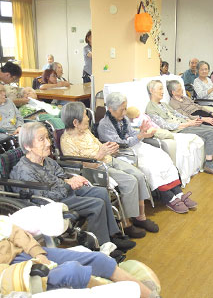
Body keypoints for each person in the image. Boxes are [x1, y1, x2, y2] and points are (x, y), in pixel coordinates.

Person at [10, 122, 135, 251]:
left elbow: (62, 175)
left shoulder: (46, 160)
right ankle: (99, 247)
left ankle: (112, 235)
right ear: (27, 146)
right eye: (41, 139)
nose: (48, 143)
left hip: (63, 192)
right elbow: (42, 198)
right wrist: (68, 184)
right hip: (52, 203)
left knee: (101, 192)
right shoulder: (24, 171)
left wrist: (73, 179)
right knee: (97, 204)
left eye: (47, 138)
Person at [60, 102, 159, 235]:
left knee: (139, 175)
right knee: (130, 181)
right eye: (85, 115)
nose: (88, 118)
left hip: (108, 159)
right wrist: (100, 155)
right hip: (95, 169)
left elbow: (97, 144)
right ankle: (126, 223)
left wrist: (109, 147)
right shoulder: (67, 141)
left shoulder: (85, 131)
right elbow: (79, 166)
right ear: (75, 122)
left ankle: (140, 217)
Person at [98, 92, 197, 214]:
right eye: (121, 110)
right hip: (123, 153)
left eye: (125, 109)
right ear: (110, 109)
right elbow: (119, 144)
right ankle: (169, 198)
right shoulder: (104, 125)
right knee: (151, 166)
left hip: (136, 146)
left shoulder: (123, 119)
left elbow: (132, 133)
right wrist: (139, 136)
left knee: (162, 157)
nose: (124, 113)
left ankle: (179, 193)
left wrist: (142, 133)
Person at [1, 220, 154, 297]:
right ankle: (129, 293)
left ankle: (148, 295)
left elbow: (15, 231)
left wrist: (38, 253)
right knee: (73, 271)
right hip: (8, 272)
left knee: (99, 258)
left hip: (22, 250)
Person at [146, 80, 213, 176]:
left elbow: (177, 114)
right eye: (160, 89)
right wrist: (187, 124)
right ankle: (209, 165)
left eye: (162, 88)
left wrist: (189, 120)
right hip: (178, 129)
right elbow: (164, 125)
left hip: (185, 123)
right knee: (211, 132)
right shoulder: (150, 109)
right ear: (152, 90)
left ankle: (211, 161)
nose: (163, 91)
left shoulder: (163, 104)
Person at [167, 80, 213, 163]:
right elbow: (185, 116)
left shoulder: (185, 98)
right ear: (173, 92)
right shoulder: (173, 103)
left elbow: (198, 106)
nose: (182, 90)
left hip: (201, 113)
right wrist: (202, 118)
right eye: (179, 89)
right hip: (195, 117)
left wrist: (211, 113)